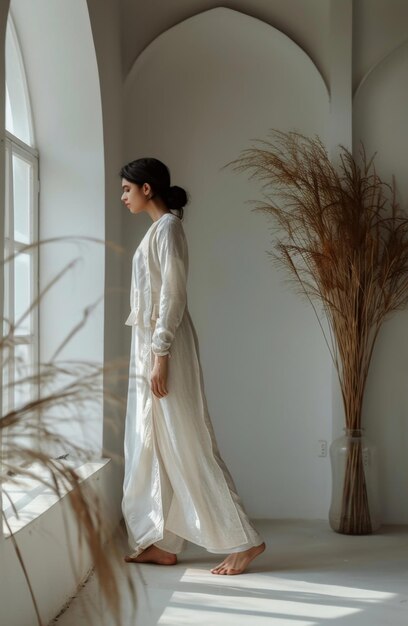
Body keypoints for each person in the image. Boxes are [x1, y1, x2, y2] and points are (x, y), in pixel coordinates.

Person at [119, 157, 265, 575]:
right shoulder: (157, 230)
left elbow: (173, 295)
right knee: (152, 442)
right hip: (149, 346)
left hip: (165, 347)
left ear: (148, 188)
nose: (123, 196)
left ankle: (244, 540)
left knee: (188, 440)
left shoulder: (168, 229)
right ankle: (161, 543)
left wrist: (161, 355)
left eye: (128, 188)